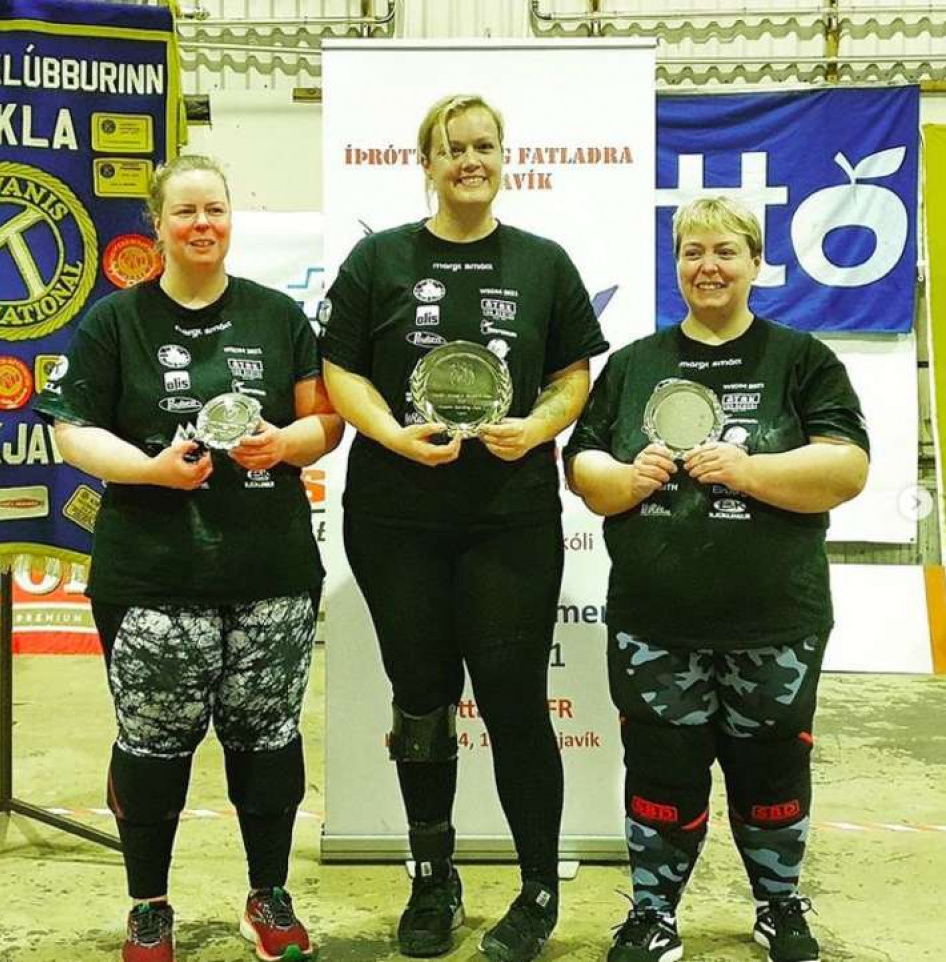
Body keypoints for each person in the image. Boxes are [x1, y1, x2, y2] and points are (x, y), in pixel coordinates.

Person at [320, 93, 608, 962]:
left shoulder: (542, 263)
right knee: (420, 704)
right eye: (453, 148)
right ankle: (431, 879)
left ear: (503, 157)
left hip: (507, 520)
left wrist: (541, 425)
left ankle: (536, 892)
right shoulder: (378, 260)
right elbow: (339, 369)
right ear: (427, 162)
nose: (469, 160)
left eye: (483, 146)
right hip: (394, 517)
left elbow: (570, 376)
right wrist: (387, 433)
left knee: (515, 703)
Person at [35, 154, 343, 962]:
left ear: (231, 218)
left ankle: (267, 898)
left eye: (215, 209)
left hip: (269, 571)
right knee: (151, 747)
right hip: (152, 575)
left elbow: (324, 425)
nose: (202, 225)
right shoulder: (114, 323)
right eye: (185, 213)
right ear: (158, 226)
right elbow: (70, 432)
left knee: (268, 741)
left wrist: (282, 444)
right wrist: (149, 469)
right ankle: (148, 905)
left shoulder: (279, 316)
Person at [564, 196, 869, 962]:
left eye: (725, 252)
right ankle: (651, 915)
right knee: (660, 778)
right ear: (675, 265)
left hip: (774, 622)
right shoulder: (634, 363)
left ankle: (778, 908)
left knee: (771, 775)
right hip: (655, 625)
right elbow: (583, 467)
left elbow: (847, 466)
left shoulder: (801, 359)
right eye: (692, 251)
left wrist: (749, 470)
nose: (707, 266)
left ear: (756, 262)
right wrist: (627, 479)